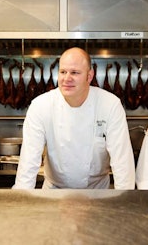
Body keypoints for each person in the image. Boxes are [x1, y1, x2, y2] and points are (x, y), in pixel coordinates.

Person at [13, 47, 135, 189]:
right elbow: (29, 161)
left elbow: (122, 161)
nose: (67, 78)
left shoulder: (109, 104)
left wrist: (125, 202)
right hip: (55, 193)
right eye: (63, 72)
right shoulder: (41, 105)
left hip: (97, 194)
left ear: (89, 76)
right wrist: (21, 200)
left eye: (75, 73)